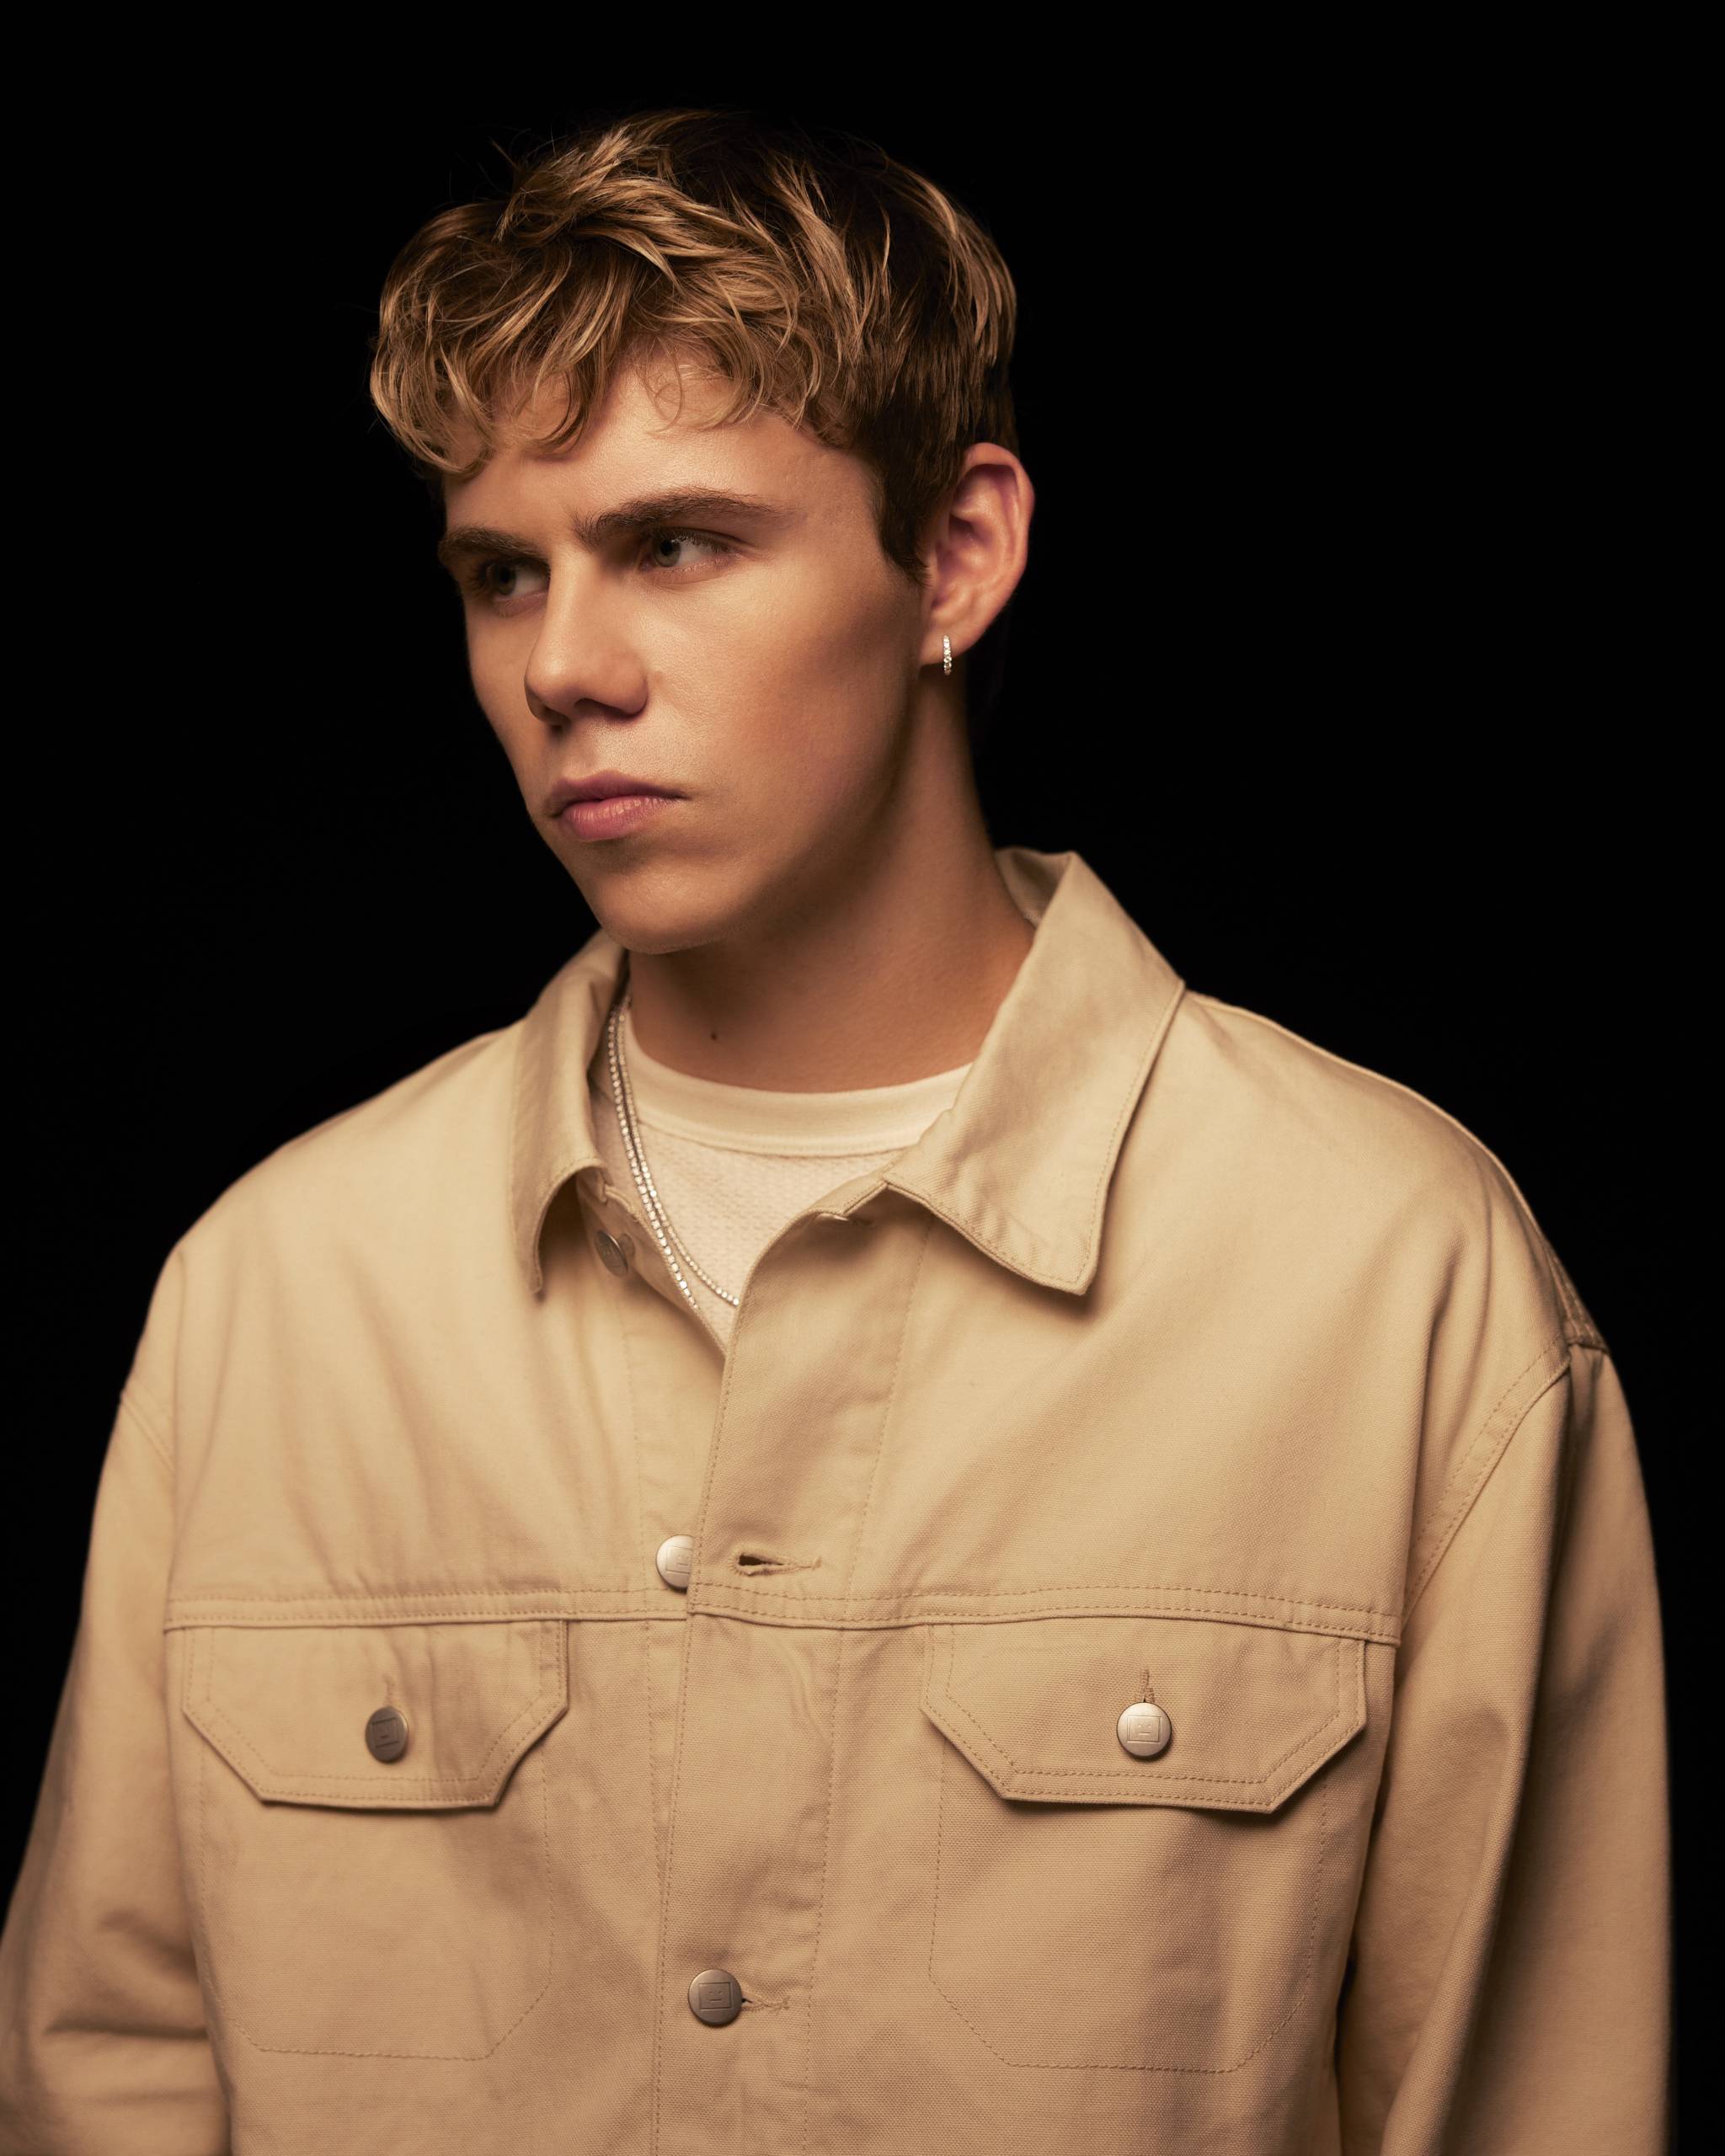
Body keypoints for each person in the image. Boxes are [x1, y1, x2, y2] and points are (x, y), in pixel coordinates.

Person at [0, 106, 1670, 2154]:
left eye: (675, 544)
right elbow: (109, 2076)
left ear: (955, 553)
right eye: (499, 573)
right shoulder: (275, 1291)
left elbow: (1529, 2101)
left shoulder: (1387, 1275)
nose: (563, 667)